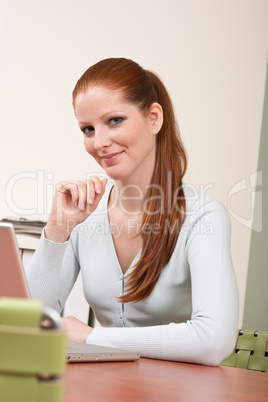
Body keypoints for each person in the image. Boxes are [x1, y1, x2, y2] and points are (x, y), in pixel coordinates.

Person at [27, 57, 238, 366]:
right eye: (88, 129)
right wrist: (57, 231)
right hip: (105, 388)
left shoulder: (203, 216)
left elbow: (214, 340)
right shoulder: (84, 217)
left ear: (153, 118)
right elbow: (30, 324)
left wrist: (91, 337)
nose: (99, 142)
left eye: (114, 120)